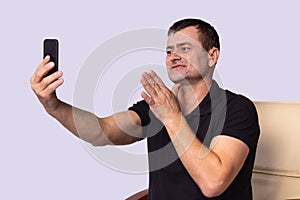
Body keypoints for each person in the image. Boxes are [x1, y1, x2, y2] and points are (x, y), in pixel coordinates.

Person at [30, 18, 260, 199]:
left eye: (185, 48)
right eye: (169, 51)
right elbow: (102, 131)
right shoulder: (157, 105)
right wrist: (54, 106)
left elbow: (213, 183)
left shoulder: (238, 109)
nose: (173, 57)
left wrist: (172, 118)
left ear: (212, 56)